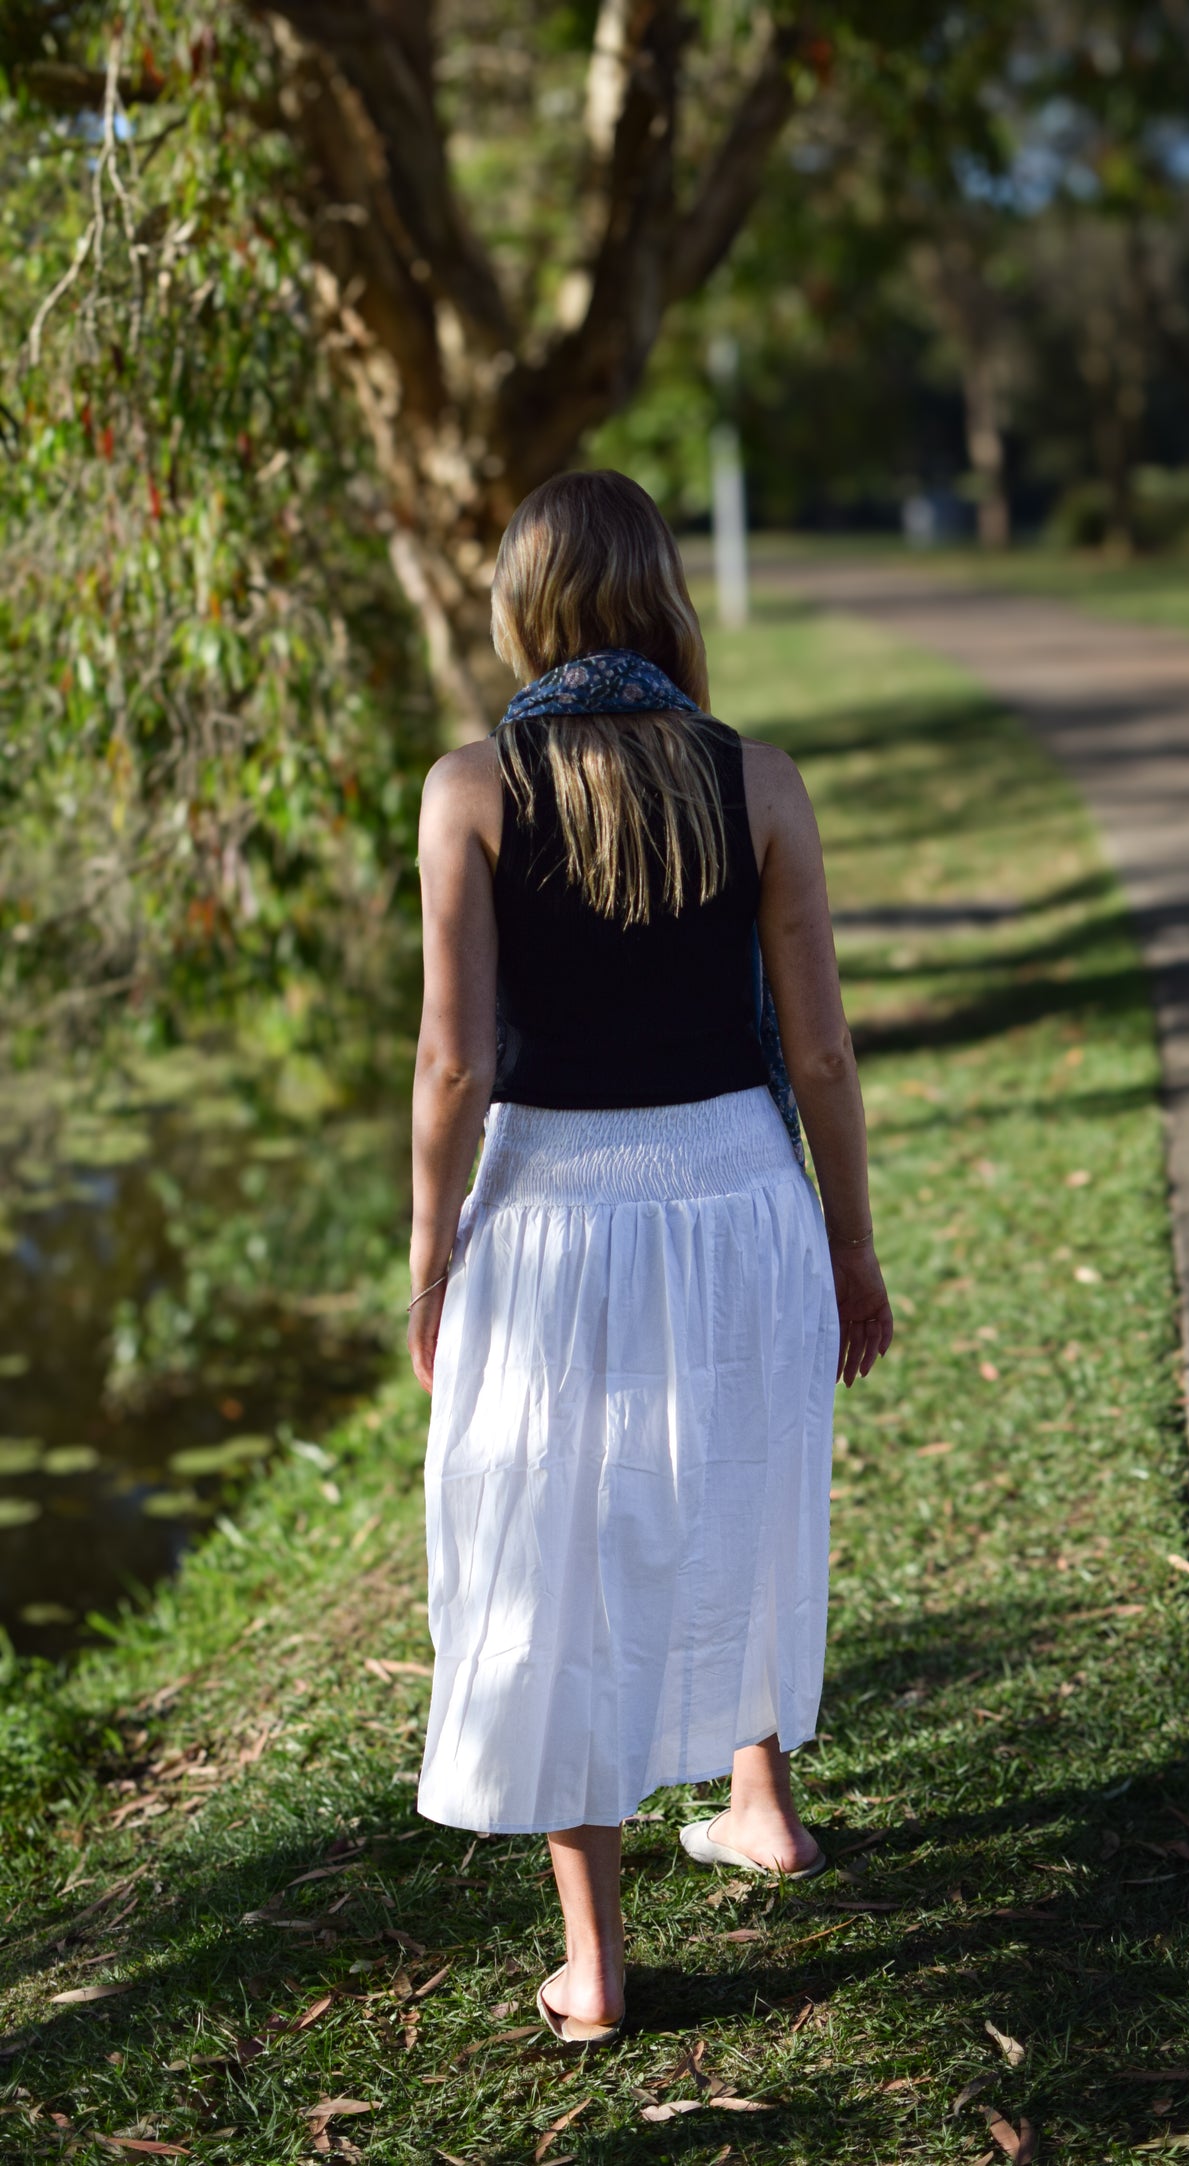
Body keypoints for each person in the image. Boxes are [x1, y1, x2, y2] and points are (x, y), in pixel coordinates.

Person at [405, 469, 893, 2045]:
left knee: (554, 1549)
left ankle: (597, 1964)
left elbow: (453, 1070)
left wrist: (427, 1259)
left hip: (553, 1209)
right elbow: (817, 1055)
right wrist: (848, 1247)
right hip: (739, 1188)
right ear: (664, 595)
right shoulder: (758, 779)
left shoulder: (468, 787)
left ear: (524, 606)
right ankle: (762, 1801)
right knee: (732, 1478)